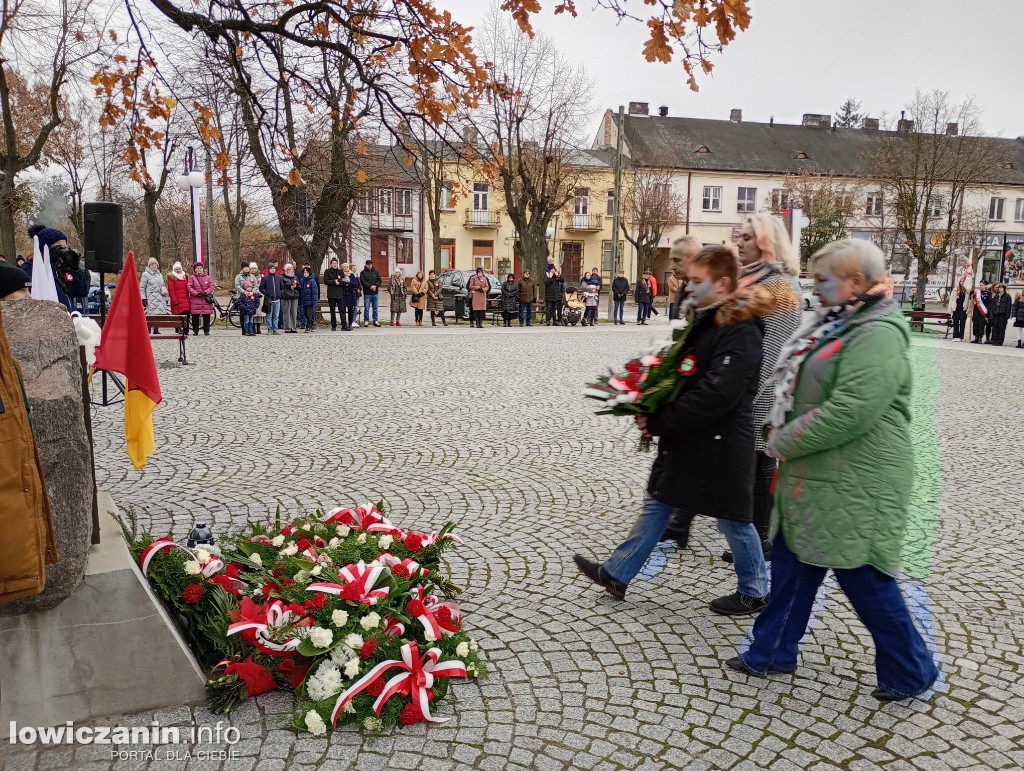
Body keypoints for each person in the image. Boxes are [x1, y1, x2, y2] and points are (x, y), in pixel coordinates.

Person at [726, 238, 939, 703]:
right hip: (819, 475)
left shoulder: (878, 332)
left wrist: (782, 439)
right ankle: (771, 651)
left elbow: (851, 410)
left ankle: (911, 670)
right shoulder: (843, 320)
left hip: (857, 480)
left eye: (824, 279)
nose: (815, 288)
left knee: (862, 576)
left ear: (857, 282)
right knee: (791, 564)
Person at [573, 245, 773, 615]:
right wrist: (648, 396)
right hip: (694, 439)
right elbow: (683, 372)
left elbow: (717, 393)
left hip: (721, 443)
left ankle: (755, 590)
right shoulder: (709, 318)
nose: (688, 287)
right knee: (659, 500)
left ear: (723, 283)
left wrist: (662, 419)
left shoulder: (740, 328)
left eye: (697, 281)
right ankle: (617, 573)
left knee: (733, 519)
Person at [669, 216, 802, 561]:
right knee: (739, 460)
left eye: (746, 238)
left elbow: (772, 347)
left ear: (766, 242)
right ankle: (684, 523)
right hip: (745, 384)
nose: (739, 243)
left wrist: (744, 392)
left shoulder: (780, 287)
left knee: (758, 462)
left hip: (761, 387)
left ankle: (758, 539)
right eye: (739, 237)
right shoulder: (755, 281)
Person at [139, 257, 170, 334]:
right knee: (151, 314)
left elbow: (162, 285)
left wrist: (166, 297)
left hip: (160, 297)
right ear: (149, 266)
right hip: (151, 298)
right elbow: (142, 287)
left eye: (155, 264)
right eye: (152, 264)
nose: (154, 266)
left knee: (158, 313)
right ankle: (148, 330)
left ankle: (156, 329)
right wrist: (143, 298)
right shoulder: (145, 274)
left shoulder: (159, 274)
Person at [187, 263, 215, 336]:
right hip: (195, 299)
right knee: (195, 316)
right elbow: (189, 287)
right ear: (195, 269)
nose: (199, 269)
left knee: (206, 316)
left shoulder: (208, 277)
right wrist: (196, 293)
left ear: (203, 269)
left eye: (200, 268)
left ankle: (206, 331)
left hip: (205, 299)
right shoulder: (192, 277)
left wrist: (206, 292)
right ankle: (195, 331)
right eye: (197, 268)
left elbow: (211, 286)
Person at [259, 261, 284, 334]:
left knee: (276, 315)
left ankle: (275, 329)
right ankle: (270, 329)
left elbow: (282, 288)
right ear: (269, 269)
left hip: (277, 299)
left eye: (274, 268)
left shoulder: (279, 278)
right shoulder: (265, 278)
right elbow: (261, 288)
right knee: (269, 315)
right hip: (269, 300)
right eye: (271, 268)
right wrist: (267, 293)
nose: (273, 270)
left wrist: (280, 293)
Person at [323, 257, 345, 331]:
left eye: (336, 263)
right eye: (333, 263)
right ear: (331, 264)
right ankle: (333, 325)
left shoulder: (340, 271)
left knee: (342, 310)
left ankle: (344, 325)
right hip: (331, 293)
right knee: (332, 311)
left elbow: (344, 281)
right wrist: (334, 282)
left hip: (339, 293)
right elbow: (326, 281)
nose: (334, 265)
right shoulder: (327, 271)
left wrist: (340, 282)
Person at [360, 260, 382, 327]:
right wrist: (370, 286)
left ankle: (375, 320)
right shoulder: (363, 273)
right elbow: (363, 281)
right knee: (366, 308)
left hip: (375, 293)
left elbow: (379, 280)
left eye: (371, 264)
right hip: (367, 293)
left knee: (375, 308)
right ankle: (366, 320)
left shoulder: (376, 272)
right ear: (366, 265)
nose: (370, 265)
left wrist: (376, 285)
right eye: (368, 264)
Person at [167, 261, 189, 327]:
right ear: (174, 270)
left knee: (186, 315)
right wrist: (174, 300)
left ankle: (186, 330)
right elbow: (171, 290)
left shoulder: (185, 277)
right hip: (177, 301)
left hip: (185, 300)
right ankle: (178, 330)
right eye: (176, 269)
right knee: (178, 317)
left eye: (179, 269)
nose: (178, 270)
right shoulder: (171, 278)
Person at [298, 265, 319, 332]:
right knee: (305, 313)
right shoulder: (302, 280)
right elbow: (301, 289)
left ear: (309, 273)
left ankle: (308, 326)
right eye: (304, 273)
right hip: (304, 300)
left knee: (309, 313)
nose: (305, 274)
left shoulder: (312, 281)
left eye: (307, 273)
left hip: (310, 300)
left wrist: (314, 301)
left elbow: (314, 292)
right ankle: (313, 324)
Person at [280, 263, 300, 333]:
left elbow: (299, 286)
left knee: (294, 313)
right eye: (289, 269)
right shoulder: (282, 277)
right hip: (286, 296)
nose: (291, 270)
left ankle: (293, 327)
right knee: (286, 313)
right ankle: (287, 328)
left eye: (292, 269)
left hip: (294, 296)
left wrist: (296, 286)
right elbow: (281, 287)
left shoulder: (295, 277)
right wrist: (289, 287)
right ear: (286, 270)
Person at [340, 263, 360, 330]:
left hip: (351, 294)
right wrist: (345, 283)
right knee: (343, 310)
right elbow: (340, 282)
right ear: (342, 268)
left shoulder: (351, 275)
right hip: (343, 294)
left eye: (347, 267)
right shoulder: (341, 274)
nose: (346, 268)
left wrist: (348, 283)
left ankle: (350, 323)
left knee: (350, 310)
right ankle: (344, 324)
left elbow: (355, 284)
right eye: (345, 267)